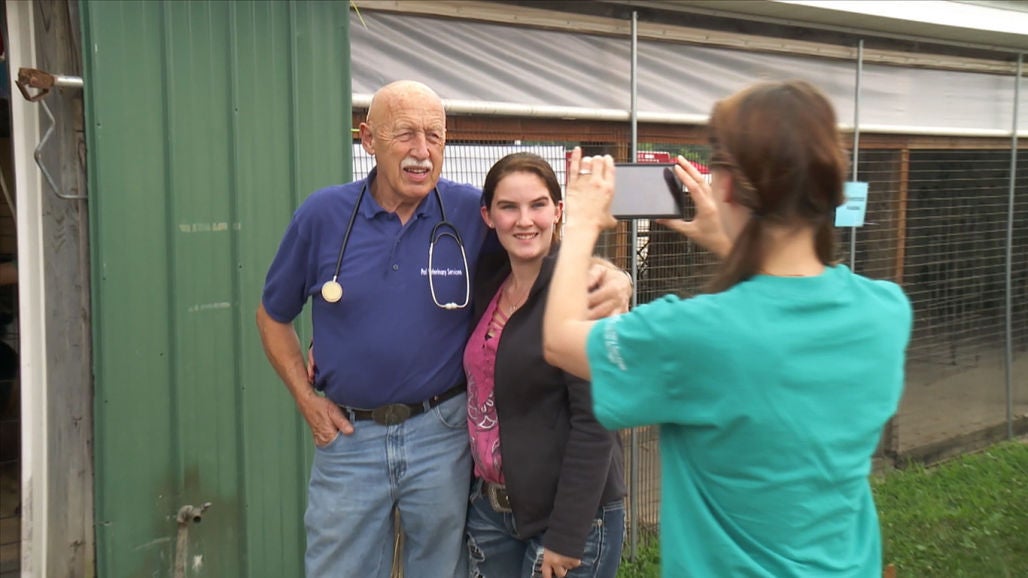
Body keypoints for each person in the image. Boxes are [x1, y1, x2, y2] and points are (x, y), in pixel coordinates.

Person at [256, 80, 631, 578]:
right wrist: (306, 400)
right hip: (349, 438)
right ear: (368, 139)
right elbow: (272, 315)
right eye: (405, 134)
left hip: (442, 435)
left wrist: (614, 277)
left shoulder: (470, 213)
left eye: (434, 135)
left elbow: (541, 253)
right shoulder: (323, 216)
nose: (422, 150)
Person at [542, 80, 912, 577]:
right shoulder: (886, 311)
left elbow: (560, 340)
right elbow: (786, 306)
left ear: (729, 186)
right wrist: (735, 243)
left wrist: (582, 223)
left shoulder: (695, 335)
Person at [464, 153, 625, 578]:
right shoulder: (490, 282)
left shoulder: (581, 292)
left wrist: (567, 535)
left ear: (558, 211)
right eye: (508, 207)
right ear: (488, 216)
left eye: (537, 205)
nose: (524, 221)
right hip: (492, 512)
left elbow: (597, 421)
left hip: (569, 518)